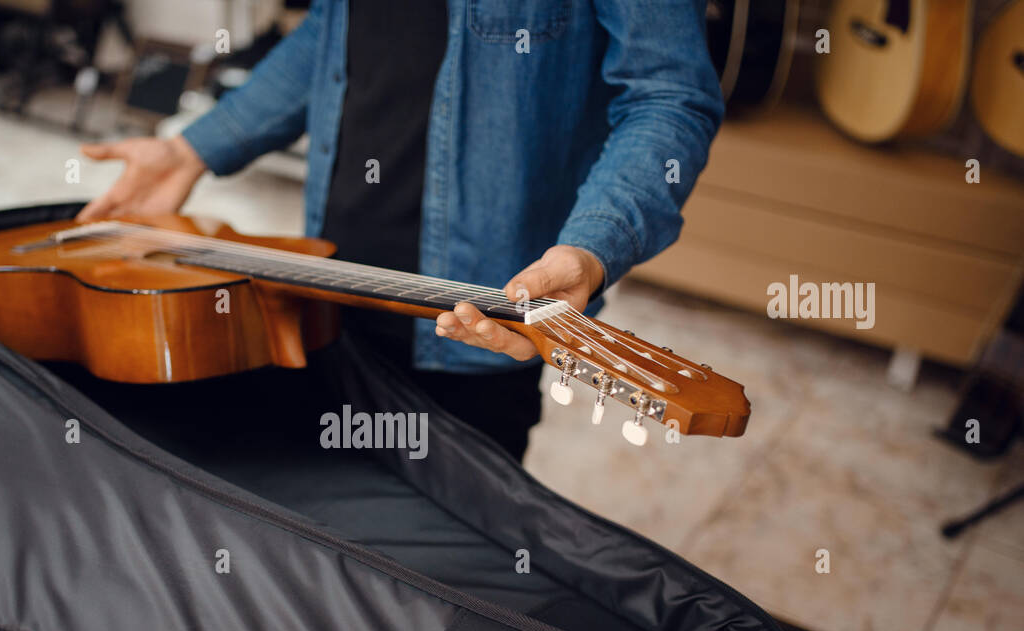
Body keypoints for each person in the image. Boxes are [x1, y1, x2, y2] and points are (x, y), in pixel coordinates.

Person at [79, 1, 722, 460]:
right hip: (328, 287)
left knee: (447, 586)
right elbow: (332, 31)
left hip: (479, 321)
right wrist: (194, 148)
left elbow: (669, 95)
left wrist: (591, 247)